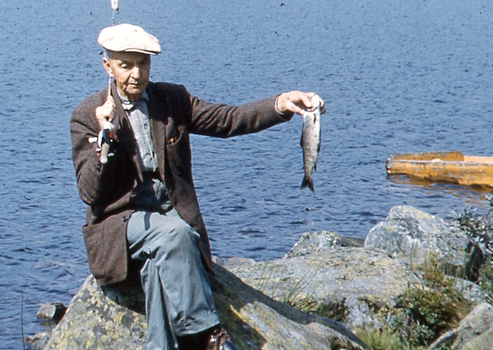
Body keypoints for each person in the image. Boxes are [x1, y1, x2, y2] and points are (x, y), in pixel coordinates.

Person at [70, 23, 324, 350]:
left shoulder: (172, 100)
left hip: (168, 216)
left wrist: (280, 104)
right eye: (125, 65)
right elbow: (90, 194)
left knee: (160, 265)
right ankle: (209, 336)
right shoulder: (87, 115)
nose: (136, 74)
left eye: (143, 64)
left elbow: (228, 119)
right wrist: (106, 140)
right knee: (177, 236)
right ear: (108, 66)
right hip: (121, 224)